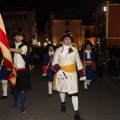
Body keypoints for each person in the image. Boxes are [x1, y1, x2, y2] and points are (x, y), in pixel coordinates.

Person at [51, 33, 86, 120]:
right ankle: (63, 103)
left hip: (72, 75)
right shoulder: (58, 50)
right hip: (61, 73)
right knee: (62, 91)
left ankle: (76, 113)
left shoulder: (75, 50)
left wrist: (82, 74)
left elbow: (78, 62)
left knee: (74, 93)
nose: (67, 40)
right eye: (66, 39)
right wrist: (58, 71)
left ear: (71, 41)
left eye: (69, 39)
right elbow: (54, 62)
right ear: (63, 40)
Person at [10, 30, 32, 113]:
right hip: (13, 71)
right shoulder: (11, 46)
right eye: (17, 36)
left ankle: (22, 105)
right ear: (14, 37)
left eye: (20, 36)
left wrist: (7, 48)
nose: (18, 37)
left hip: (22, 71)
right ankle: (15, 102)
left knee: (23, 89)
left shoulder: (24, 46)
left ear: (22, 38)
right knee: (14, 89)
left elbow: (20, 51)